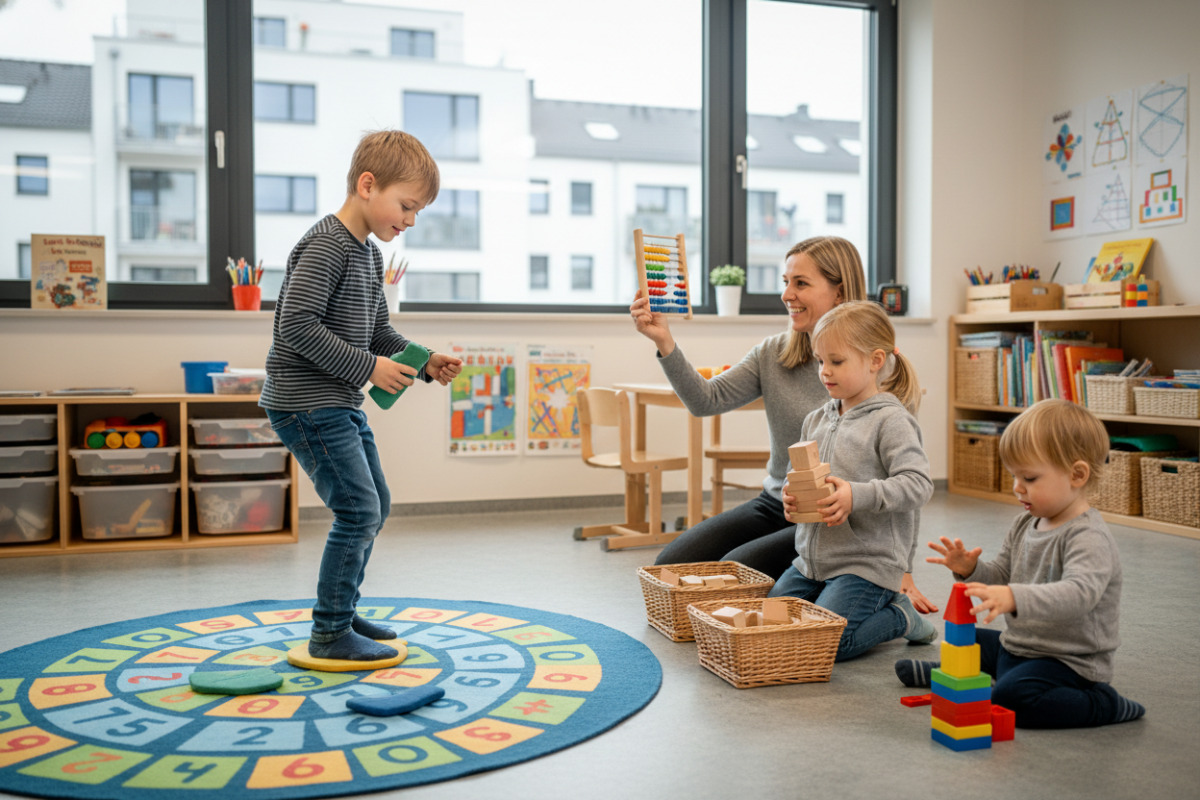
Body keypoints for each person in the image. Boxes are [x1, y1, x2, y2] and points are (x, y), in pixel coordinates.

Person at [629, 236, 937, 613]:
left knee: (727, 576)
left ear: (839, 292)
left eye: (801, 283)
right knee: (669, 567)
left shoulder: (876, 366)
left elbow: (906, 476)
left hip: (838, 520)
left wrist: (903, 569)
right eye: (785, 282)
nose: (787, 294)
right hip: (777, 503)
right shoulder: (774, 352)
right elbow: (704, 401)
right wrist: (664, 340)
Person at [259, 130, 463, 663]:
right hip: (304, 402)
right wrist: (370, 367)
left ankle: (342, 611)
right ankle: (328, 633)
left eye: (417, 211)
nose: (411, 220)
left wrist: (423, 361)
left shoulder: (369, 256)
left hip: (336, 401)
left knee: (376, 504)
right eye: (407, 206)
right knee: (358, 510)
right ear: (367, 185)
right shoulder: (326, 245)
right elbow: (295, 326)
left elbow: (378, 333)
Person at [895, 399, 1145, 727]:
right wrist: (970, 570)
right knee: (966, 639)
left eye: (1029, 477)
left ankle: (1104, 704)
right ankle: (961, 674)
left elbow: (1078, 594)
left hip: (1067, 661)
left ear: (1077, 474)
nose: (1017, 487)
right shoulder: (1026, 523)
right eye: (1014, 475)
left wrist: (1015, 598)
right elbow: (1001, 576)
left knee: (1014, 699)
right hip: (1022, 645)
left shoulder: (1088, 537)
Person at [770, 300, 936, 660]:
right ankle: (843, 604)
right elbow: (797, 474)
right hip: (812, 562)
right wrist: (791, 494)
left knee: (830, 643)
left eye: (837, 361)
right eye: (821, 361)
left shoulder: (891, 421)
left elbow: (918, 484)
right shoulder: (816, 418)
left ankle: (901, 615)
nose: (825, 371)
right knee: (774, 623)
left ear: (875, 361)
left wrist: (856, 495)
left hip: (866, 565)